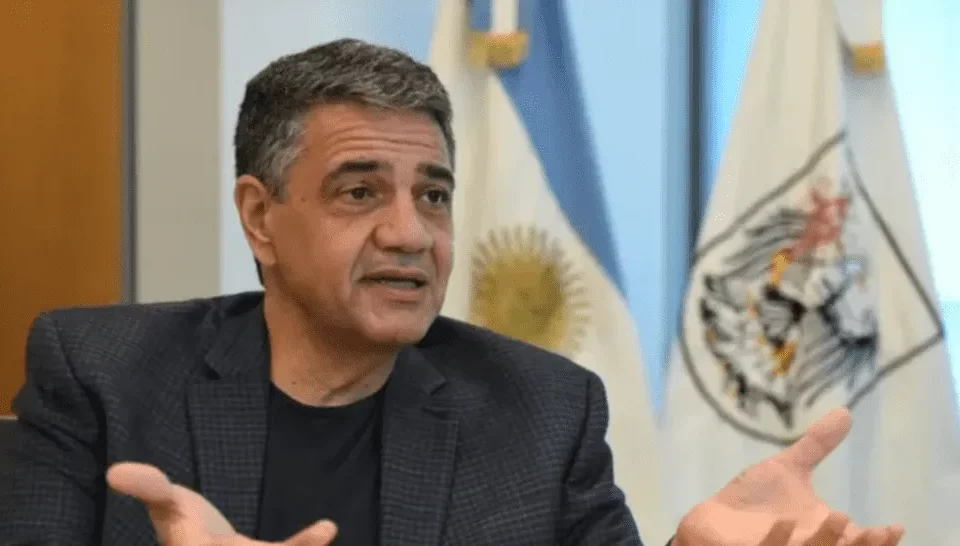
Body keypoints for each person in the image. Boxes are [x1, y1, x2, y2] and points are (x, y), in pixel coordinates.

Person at [0, 39, 903, 546]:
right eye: (360, 192)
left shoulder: (543, 410)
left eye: (432, 196)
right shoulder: (102, 377)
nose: (410, 233)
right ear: (260, 217)